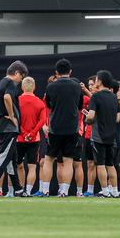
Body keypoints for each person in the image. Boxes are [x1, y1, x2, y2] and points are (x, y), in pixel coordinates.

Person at [40, 59, 83, 198]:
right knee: (68, 161)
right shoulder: (77, 86)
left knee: (49, 159)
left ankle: (45, 190)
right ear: (70, 71)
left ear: (56, 72)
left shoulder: (51, 86)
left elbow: (49, 105)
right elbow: (80, 106)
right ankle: (64, 191)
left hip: (55, 128)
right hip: (72, 128)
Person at [0, 61, 27, 197]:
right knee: (3, 158)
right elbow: (7, 97)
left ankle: (18, 190)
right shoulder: (10, 83)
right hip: (9, 128)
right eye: (21, 77)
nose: (21, 81)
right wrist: (11, 116)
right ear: (16, 73)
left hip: (2, 126)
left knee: (11, 161)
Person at [84, 69, 120, 197]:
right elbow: (117, 119)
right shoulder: (114, 97)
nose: (95, 82)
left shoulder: (95, 97)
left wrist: (87, 119)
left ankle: (105, 191)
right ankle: (115, 191)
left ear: (100, 81)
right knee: (110, 165)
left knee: (100, 164)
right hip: (112, 136)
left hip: (98, 136)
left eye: (96, 80)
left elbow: (90, 116)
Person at [16, 76, 48, 196]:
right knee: (32, 166)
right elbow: (42, 120)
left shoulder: (17, 101)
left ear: (22, 87)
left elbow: (15, 119)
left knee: (18, 165)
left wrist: (24, 133)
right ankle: (28, 191)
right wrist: (32, 133)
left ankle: (19, 190)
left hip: (19, 138)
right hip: (34, 139)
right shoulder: (39, 102)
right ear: (34, 87)